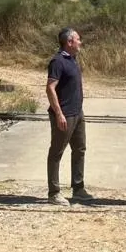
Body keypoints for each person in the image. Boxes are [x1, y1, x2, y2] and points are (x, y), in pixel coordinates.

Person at [45, 27, 92, 205]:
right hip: (65, 115)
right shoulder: (57, 61)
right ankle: (54, 193)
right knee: (56, 152)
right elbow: (50, 88)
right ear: (69, 42)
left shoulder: (72, 59)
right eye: (78, 39)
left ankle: (78, 188)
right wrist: (59, 114)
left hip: (77, 113)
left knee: (79, 149)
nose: (80, 42)